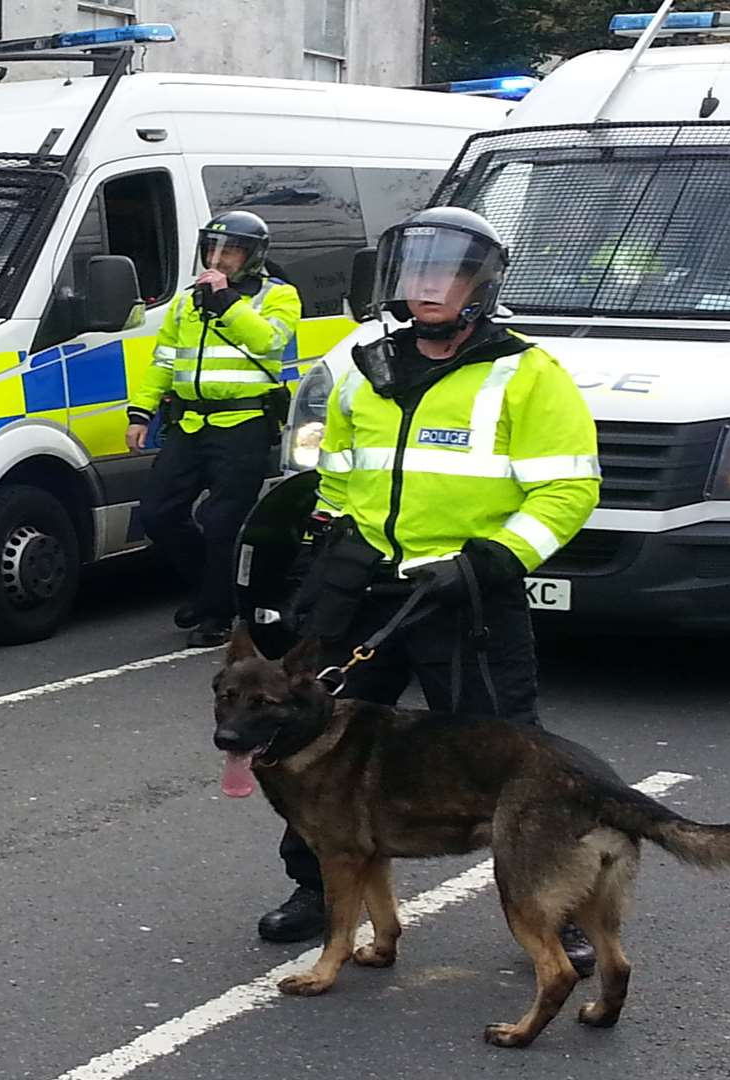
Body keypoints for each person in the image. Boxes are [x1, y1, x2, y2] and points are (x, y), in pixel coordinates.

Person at [256, 207, 604, 975]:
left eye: (445, 273)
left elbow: (568, 494)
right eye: (416, 272)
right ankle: (317, 887)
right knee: (310, 744)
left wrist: (489, 561)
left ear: (481, 284)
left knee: (513, 755)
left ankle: (562, 908)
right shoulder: (366, 367)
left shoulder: (527, 374)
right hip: (367, 583)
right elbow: (339, 473)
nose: (426, 288)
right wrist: (325, 547)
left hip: (466, 594)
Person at [127, 211, 303, 647]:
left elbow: (269, 341)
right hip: (189, 422)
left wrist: (227, 302)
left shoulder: (279, 297)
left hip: (243, 423)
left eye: (231, 251)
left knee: (224, 523)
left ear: (253, 256)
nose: (218, 259)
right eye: (213, 249)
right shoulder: (188, 301)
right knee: (157, 513)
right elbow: (165, 359)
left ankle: (219, 615)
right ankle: (208, 591)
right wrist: (140, 412)